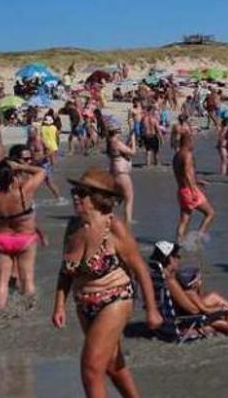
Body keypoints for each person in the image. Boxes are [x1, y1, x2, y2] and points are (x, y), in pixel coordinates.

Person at [52, 168, 163, 398]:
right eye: (75, 191)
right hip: (83, 305)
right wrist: (59, 305)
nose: (75, 196)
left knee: (91, 369)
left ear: (97, 199)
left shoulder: (113, 227)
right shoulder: (73, 227)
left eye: (81, 193)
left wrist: (152, 309)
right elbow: (65, 271)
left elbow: (140, 268)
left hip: (114, 299)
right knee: (113, 365)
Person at [0, 158, 48, 309]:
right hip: (24, 238)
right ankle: (29, 310)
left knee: (1, 280)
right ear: (13, 175)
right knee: (27, 279)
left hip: (1, 238)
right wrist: (20, 166)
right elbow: (42, 171)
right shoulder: (23, 191)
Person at [172, 132, 216, 244]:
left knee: (184, 220)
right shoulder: (187, 154)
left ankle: (178, 244)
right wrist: (193, 190)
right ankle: (198, 237)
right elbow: (186, 173)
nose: (193, 144)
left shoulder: (176, 156)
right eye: (192, 141)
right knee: (210, 213)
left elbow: (182, 174)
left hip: (181, 191)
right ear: (188, 142)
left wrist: (197, 181)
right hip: (189, 191)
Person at [106, 127, 136, 224]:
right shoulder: (116, 142)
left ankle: (106, 217)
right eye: (119, 132)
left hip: (113, 173)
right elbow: (132, 152)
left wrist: (128, 142)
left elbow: (123, 151)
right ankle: (127, 225)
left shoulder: (109, 142)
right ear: (116, 132)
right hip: (122, 173)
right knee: (129, 199)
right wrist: (133, 140)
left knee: (117, 199)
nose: (121, 134)